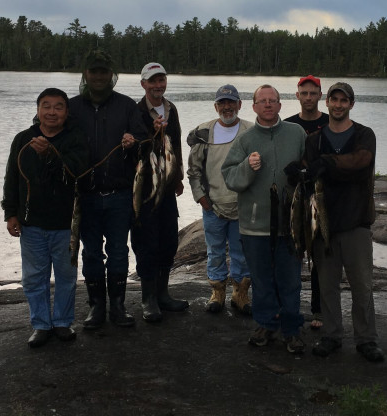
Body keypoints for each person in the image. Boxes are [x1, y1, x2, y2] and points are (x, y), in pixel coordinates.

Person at [302, 82, 384, 362]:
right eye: (333, 100)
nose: (338, 105)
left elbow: (361, 162)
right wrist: (300, 173)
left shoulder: (364, 135)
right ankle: (331, 335)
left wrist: (328, 164)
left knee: (362, 285)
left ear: (351, 104)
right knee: (327, 285)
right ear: (326, 102)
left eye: (343, 100)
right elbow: (309, 172)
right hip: (323, 224)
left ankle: (366, 339)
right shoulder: (314, 140)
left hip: (357, 222)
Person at [221, 85, 307, 354]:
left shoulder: (297, 133)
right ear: (254, 106)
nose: (268, 105)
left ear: (281, 106)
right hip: (254, 226)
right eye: (262, 101)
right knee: (261, 279)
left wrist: (302, 172)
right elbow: (230, 177)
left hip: (290, 226)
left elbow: (310, 167)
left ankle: (291, 329)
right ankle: (266, 324)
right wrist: (247, 166)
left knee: (290, 279)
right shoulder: (245, 140)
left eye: (273, 101)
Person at [2, 88, 88, 348]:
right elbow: (12, 179)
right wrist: (10, 213)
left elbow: (77, 173)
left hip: (66, 225)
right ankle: (40, 324)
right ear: (38, 110)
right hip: (31, 224)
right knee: (33, 278)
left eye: (58, 107)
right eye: (46, 106)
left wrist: (51, 155)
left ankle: (62, 322)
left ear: (66, 112)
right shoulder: (22, 139)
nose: (52, 112)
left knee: (66, 276)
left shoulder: (76, 139)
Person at [69, 49, 148, 329]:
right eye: (94, 72)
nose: (99, 76)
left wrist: (133, 141)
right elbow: (49, 130)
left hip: (120, 195)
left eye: (104, 72)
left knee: (118, 251)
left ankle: (118, 306)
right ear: (86, 74)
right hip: (85, 197)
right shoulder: (72, 107)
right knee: (90, 252)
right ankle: (96, 307)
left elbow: (144, 140)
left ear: (111, 75)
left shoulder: (127, 106)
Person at [186, 85, 254, 314]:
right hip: (212, 206)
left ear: (239, 105)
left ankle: (240, 294)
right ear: (216, 106)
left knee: (241, 252)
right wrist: (201, 198)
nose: (227, 107)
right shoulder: (203, 132)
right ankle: (217, 293)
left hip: (242, 206)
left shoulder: (251, 131)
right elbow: (193, 171)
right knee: (214, 252)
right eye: (222, 103)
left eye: (231, 102)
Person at [132, 62, 189, 323]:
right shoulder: (135, 112)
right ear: (143, 84)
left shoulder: (171, 109)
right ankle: (148, 299)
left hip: (167, 187)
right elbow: (133, 150)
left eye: (161, 80)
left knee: (169, 240)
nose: (158, 86)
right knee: (146, 242)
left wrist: (178, 176)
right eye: (152, 81)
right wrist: (151, 133)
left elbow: (175, 144)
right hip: (144, 190)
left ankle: (163, 294)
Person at [284, 74, 328, 331]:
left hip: (321, 195)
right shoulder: (289, 125)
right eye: (304, 93)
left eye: (313, 93)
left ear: (320, 95)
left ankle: (319, 309)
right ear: (297, 96)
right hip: (296, 197)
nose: (309, 97)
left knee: (320, 255)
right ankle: (288, 307)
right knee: (292, 252)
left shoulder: (329, 122)